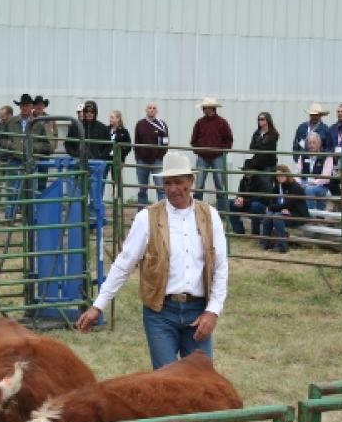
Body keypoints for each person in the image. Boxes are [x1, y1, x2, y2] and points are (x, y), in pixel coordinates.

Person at [76, 151, 228, 370]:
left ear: (191, 181)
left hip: (198, 310)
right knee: (166, 383)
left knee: (202, 380)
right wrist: (98, 306)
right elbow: (123, 264)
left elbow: (220, 266)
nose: (173, 189)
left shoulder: (209, 215)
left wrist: (213, 311)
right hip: (160, 312)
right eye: (167, 183)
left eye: (178, 182)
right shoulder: (146, 218)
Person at [190, 96, 233, 207]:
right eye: (204, 107)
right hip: (204, 156)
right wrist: (198, 149)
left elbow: (228, 139)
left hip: (216, 156)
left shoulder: (222, 122)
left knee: (219, 184)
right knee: (199, 184)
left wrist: (222, 150)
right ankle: (196, 208)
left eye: (205, 107)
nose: (203, 109)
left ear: (211, 108)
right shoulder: (200, 123)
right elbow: (193, 140)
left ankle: (222, 209)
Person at [260, 164, 309, 253]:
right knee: (268, 217)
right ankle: (265, 243)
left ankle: (282, 246)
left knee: (277, 218)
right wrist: (272, 208)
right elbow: (271, 201)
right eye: (277, 176)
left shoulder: (295, 187)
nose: (279, 177)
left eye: (281, 175)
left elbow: (287, 205)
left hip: (297, 214)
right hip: (283, 212)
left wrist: (271, 207)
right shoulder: (278, 186)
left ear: (287, 175)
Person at [133, 102, 170, 206]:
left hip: (157, 161)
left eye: (154, 108)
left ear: (157, 111)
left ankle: (162, 212)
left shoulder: (162, 125)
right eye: (150, 108)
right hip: (142, 161)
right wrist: (138, 157)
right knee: (142, 189)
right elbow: (136, 142)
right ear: (146, 110)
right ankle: (141, 211)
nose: (152, 110)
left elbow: (165, 143)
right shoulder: (140, 124)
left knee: (160, 188)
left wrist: (160, 156)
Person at [228, 159, 269, 237]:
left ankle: (255, 233)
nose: (247, 172)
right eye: (245, 170)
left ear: (255, 170)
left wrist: (244, 201)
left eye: (249, 170)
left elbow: (260, 198)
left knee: (255, 205)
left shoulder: (262, 181)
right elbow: (240, 194)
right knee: (231, 203)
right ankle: (238, 231)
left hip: (261, 206)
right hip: (247, 204)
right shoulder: (243, 181)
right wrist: (238, 199)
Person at [296, 132, 334, 211]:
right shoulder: (302, 155)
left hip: (322, 186)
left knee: (309, 190)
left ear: (319, 144)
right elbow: (297, 173)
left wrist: (311, 183)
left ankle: (312, 215)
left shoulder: (327, 156)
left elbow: (325, 178)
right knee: (294, 187)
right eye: (309, 143)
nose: (311, 145)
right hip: (305, 184)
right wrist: (299, 183)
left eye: (314, 142)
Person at [106, 109, 132, 180]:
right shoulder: (106, 129)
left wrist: (121, 156)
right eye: (110, 117)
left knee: (116, 179)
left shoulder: (124, 131)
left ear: (118, 119)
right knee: (102, 177)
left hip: (117, 159)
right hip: (106, 157)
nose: (110, 119)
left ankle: (116, 191)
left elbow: (128, 146)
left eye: (112, 117)